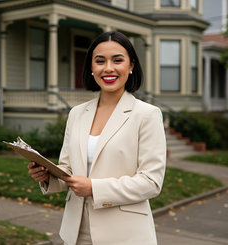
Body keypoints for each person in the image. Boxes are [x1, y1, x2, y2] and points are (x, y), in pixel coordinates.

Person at [28, 31, 166, 245]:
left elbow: (151, 182)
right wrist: (48, 176)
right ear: (91, 68)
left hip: (124, 235)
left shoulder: (147, 115)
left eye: (117, 60)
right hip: (76, 232)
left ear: (131, 66)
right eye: (99, 61)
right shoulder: (76, 113)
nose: (108, 68)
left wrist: (94, 188)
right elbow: (69, 170)